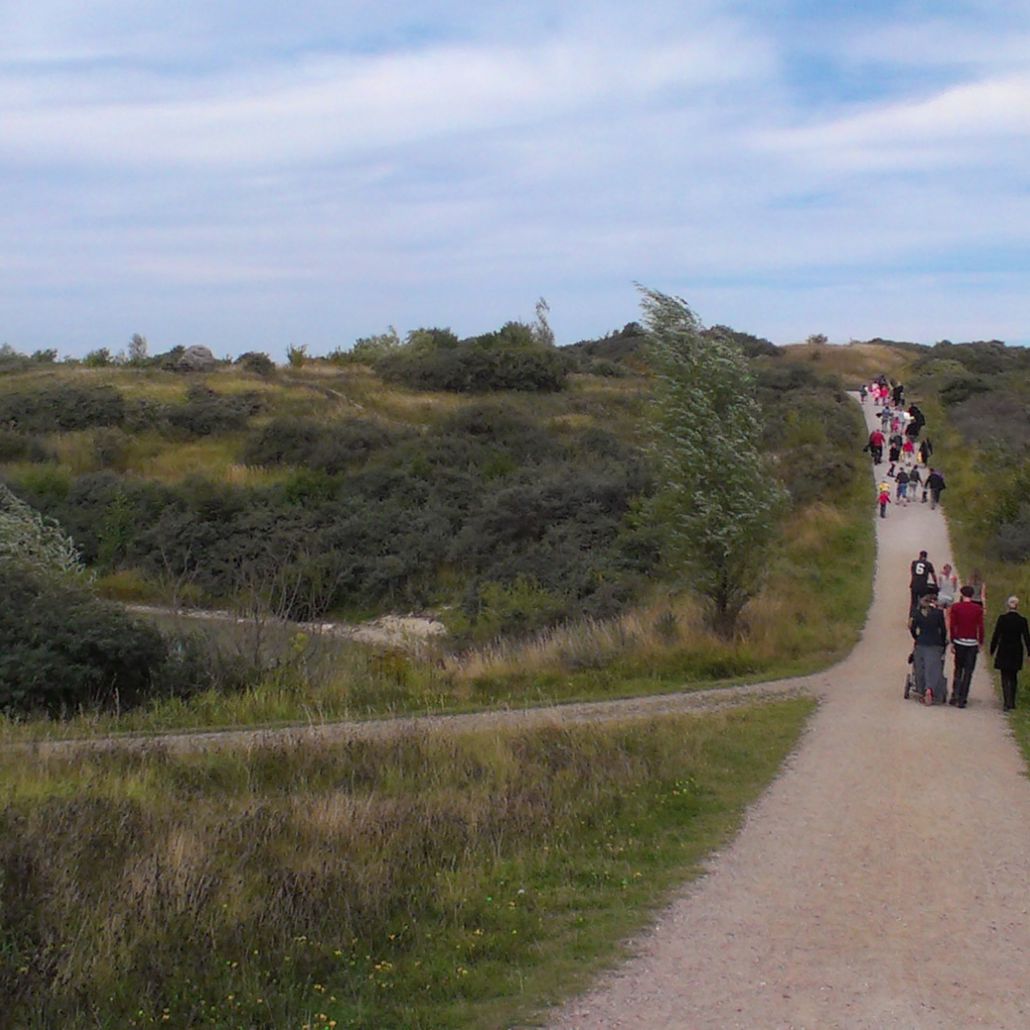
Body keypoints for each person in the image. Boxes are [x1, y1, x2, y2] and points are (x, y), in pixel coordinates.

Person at [990, 597, 1030, 711]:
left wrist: (992, 649)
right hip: (1016, 650)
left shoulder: (1002, 619)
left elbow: (996, 634)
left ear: (1008, 606)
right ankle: (1012, 701)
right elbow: (1027, 637)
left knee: (1004, 676)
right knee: (1013, 676)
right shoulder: (1022, 620)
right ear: (1017, 606)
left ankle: (1006, 701)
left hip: (1004, 649)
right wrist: (1029, 652)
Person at [948, 585, 985, 707]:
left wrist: (953, 640)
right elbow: (980, 627)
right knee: (968, 671)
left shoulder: (956, 607)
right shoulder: (977, 609)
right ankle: (963, 698)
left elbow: (953, 625)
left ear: (962, 594)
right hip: (972, 642)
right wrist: (980, 641)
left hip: (960, 641)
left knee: (958, 669)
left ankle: (955, 694)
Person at [910, 589, 948, 704]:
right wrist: (943, 642)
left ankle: (923, 689)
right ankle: (931, 689)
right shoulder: (938, 614)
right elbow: (943, 630)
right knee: (934, 668)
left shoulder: (917, 614)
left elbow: (912, 628)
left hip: (921, 643)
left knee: (921, 667)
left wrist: (916, 638)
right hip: (935, 644)